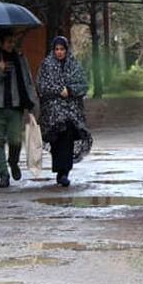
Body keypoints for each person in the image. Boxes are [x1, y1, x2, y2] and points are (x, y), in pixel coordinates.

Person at [0, 27, 39, 188]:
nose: (11, 44)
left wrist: (33, 106)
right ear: (0, 42)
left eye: (13, 41)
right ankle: (3, 175)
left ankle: (13, 162)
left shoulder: (20, 59)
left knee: (15, 141)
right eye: (8, 42)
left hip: (15, 106)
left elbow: (27, 82)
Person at [37, 35, 92, 187]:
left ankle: (65, 172)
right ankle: (59, 170)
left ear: (66, 50)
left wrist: (70, 90)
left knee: (67, 139)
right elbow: (41, 86)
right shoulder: (47, 65)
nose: (59, 52)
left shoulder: (73, 65)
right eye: (57, 49)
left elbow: (83, 85)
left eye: (62, 49)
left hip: (71, 111)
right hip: (53, 112)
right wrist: (57, 90)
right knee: (57, 140)